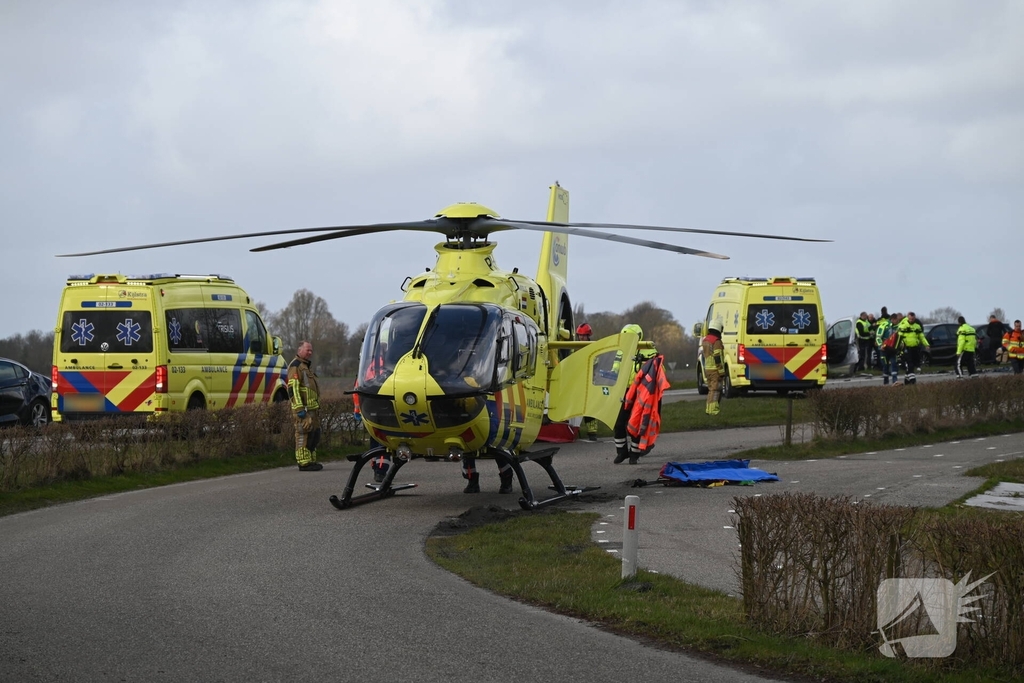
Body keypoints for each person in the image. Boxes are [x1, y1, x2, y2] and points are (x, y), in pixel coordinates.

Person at [613, 323, 658, 464]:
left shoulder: (649, 351)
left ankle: (635, 454)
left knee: (636, 425)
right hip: (624, 391)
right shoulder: (621, 352)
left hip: (641, 393)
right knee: (618, 423)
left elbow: (658, 370)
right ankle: (621, 452)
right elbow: (615, 369)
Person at [288, 341, 322, 471]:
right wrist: (299, 409)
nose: (310, 353)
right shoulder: (296, 366)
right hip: (304, 409)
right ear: (300, 350)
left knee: (315, 434)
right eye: (308, 350)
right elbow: (293, 388)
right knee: (304, 434)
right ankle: (304, 463)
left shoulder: (306, 366)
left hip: (312, 409)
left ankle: (311, 461)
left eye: (311, 350)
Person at [576, 322, 599, 442]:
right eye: (580, 335)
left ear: (588, 335)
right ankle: (574, 430)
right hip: (577, 381)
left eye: (584, 336)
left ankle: (592, 432)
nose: (581, 338)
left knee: (590, 408)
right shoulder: (573, 347)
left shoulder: (593, 347)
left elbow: (595, 364)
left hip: (589, 382)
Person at [896, 312, 928, 385]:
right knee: (909, 364)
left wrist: (926, 344)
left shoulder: (917, 326)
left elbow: (921, 337)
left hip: (915, 347)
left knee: (913, 364)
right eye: (910, 319)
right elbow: (898, 337)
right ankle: (912, 380)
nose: (911, 320)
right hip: (906, 348)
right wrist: (897, 347)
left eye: (913, 319)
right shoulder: (903, 326)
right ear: (908, 318)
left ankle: (907, 380)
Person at [701, 319, 725, 414]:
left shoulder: (705, 340)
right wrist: (722, 371)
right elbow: (718, 357)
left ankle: (708, 409)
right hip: (715, 369)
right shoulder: (716, 341)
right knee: (715, 389)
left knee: (710, 389)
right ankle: (713, 410)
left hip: (707, 369)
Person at [875, 312, 899, 385]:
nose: (897, 322)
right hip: (884, 349)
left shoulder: (898, 326)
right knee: (885, 364)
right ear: (893, 319)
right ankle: (886, 381)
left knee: (894, 363)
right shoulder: (884, 325)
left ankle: (895, 381)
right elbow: (878, 337)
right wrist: (881, 345)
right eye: (896, 320)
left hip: (893, 349)